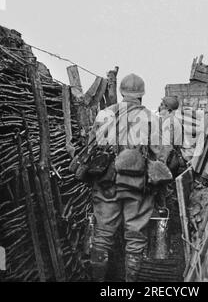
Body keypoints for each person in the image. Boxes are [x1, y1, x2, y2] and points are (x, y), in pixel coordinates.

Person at [88, 73, 161, 282]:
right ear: (141, 95)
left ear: (121, 92)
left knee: (101, 238)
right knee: (135, 240)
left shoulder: (104, 115)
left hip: (107, 184)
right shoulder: (152, 119)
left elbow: (93, 146)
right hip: (138, 187)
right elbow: (160, 154)